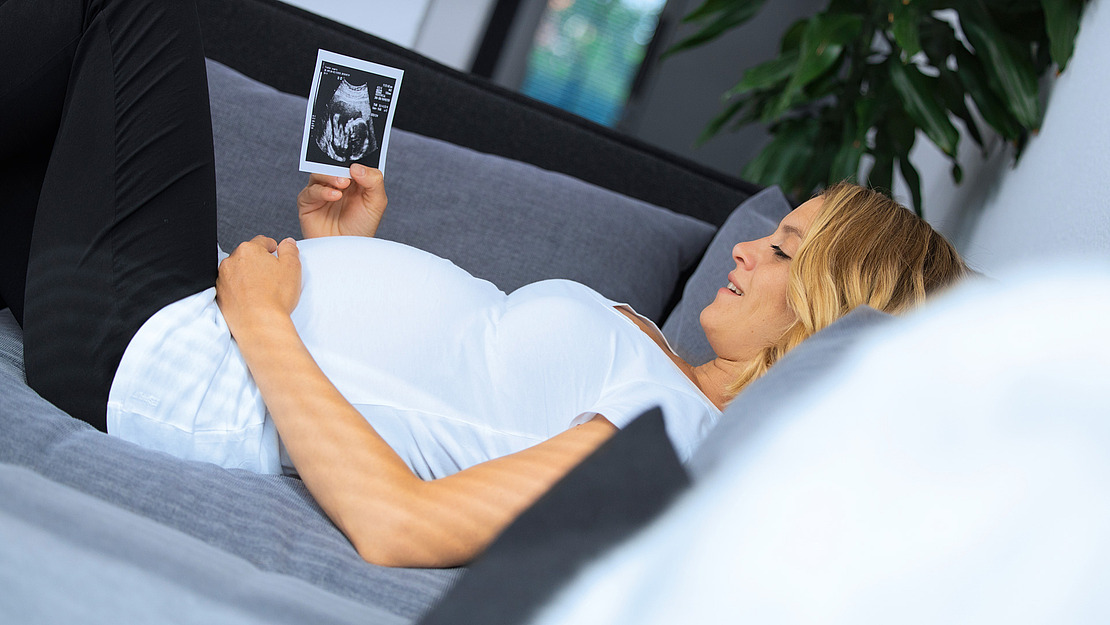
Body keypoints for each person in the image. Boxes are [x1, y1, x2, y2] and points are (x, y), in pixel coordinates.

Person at [2, 0, 966, 568]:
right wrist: (345, 251)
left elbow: (400, 524)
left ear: (830, 317)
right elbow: (449, 392)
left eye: (786, 251)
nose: (746, 252)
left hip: (169, 356)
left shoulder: (677, 435)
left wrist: (264, 321)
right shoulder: (661, 370)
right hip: (180, 309)